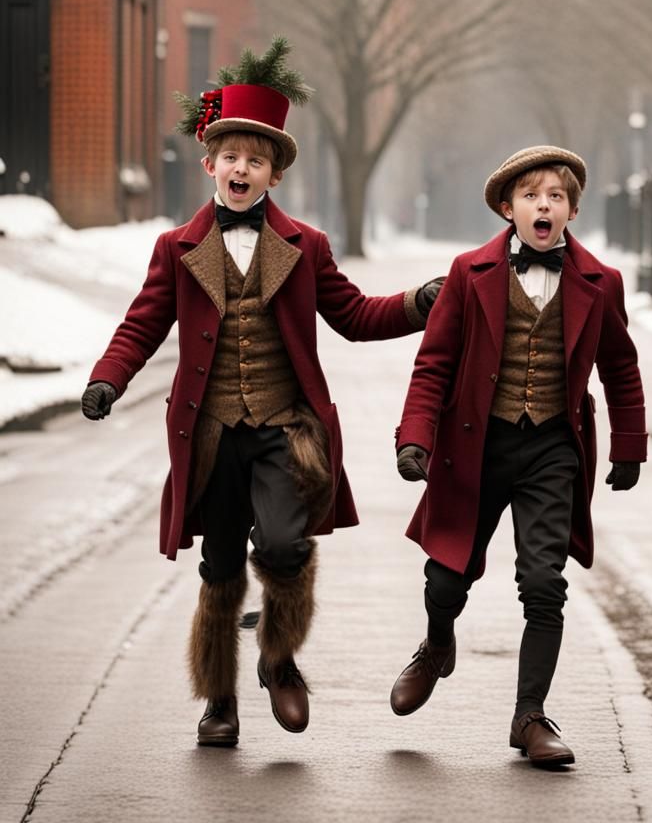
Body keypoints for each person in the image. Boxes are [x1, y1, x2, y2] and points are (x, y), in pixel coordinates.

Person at [81, 38, 440, 747]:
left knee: (284, 542)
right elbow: (142, 324)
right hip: (211, 432)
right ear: (210, 164)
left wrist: (417, 303)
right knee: (218, 567)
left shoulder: (306, 245)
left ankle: (279, 661)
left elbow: (354, 314)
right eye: (231, 156)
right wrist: (107, 378)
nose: (242, 168)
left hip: (285, 428)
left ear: (274, 174)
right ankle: (218, 701)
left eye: (257, 159)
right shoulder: (175, 249)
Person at [388, 145, 647, 768]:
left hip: (554, 449)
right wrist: (415, 436)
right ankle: (436, 643)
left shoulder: (599, 282)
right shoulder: (468, 272)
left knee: (543, 582)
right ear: (508, 208)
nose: (543, 205)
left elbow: (620, 366)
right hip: (476, 443)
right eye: (531, 196)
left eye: (555, 197)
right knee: (446, 574)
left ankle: (530, 715)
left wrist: (629, 445)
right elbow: (435, 364)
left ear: (572, 211)